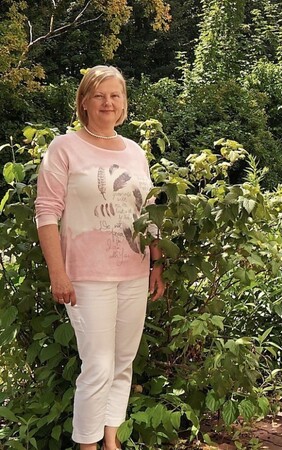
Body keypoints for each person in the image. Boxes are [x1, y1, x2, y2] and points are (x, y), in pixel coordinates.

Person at [35, 65, 166, 450]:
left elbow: (148, 213)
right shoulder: (64, 147)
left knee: (123, 363)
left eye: (115, 95)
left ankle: (111, 442)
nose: (108, 103)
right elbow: (46, 212)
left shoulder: (136, 152)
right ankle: (87, 445)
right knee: (97, 367)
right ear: (84, 102)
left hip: (133, 271)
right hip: (86, 277)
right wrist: (58, 273)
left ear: (124, 103)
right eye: (99, 95)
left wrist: (157, 263)